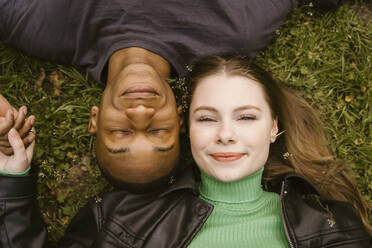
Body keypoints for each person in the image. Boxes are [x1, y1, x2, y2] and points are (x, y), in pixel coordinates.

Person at [0, 55, 370, 247]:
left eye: (246, 117)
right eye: (207, 119)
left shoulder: (333, 226)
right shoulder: (119, 217)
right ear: (185, 127)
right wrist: (13, 181)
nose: (226, 135)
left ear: (273, 127)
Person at [0, 0, 343, 187]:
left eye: (121, 131)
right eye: (157, 131)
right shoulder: (238, 27)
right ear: (180, 118)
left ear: (95, 119)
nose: (138, 113)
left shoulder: (42, 27)